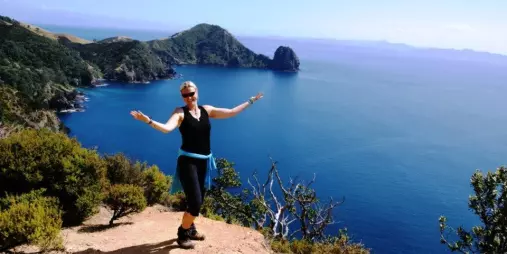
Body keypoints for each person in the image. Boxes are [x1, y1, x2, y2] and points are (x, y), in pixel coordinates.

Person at [130, 80, 263, 249]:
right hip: (188, 162)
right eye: (185, 95)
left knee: (198, 198)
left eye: (191, 94)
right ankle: (182, 234)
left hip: (204, 162)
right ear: (182, 96)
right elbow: (166, 128)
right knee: (195, 202)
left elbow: (230, 112)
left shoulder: (206, 110)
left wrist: (251, 101)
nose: (189, 97)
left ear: (197, 93)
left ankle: (191, 228)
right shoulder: (180, 112)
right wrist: (148, 120)